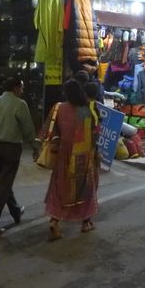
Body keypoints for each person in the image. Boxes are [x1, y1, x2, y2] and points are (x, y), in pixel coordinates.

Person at [0, 78, 38, 237]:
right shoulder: (20, 104)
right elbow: (28, 129)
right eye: (21, 88)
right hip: (11, 149)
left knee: (5, 182)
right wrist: (35, 146)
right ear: (15, 88)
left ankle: (16, 211)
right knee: (4, 186)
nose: (22, 91)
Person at [45, 79, 100, 241]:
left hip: (63, 156)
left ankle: (55, 221)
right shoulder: (84, 111)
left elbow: (50, 132)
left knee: (61, 188)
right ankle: (86, 222)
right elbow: (93, 135)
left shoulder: (58, 108)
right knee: (85, 189)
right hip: (83, 157)